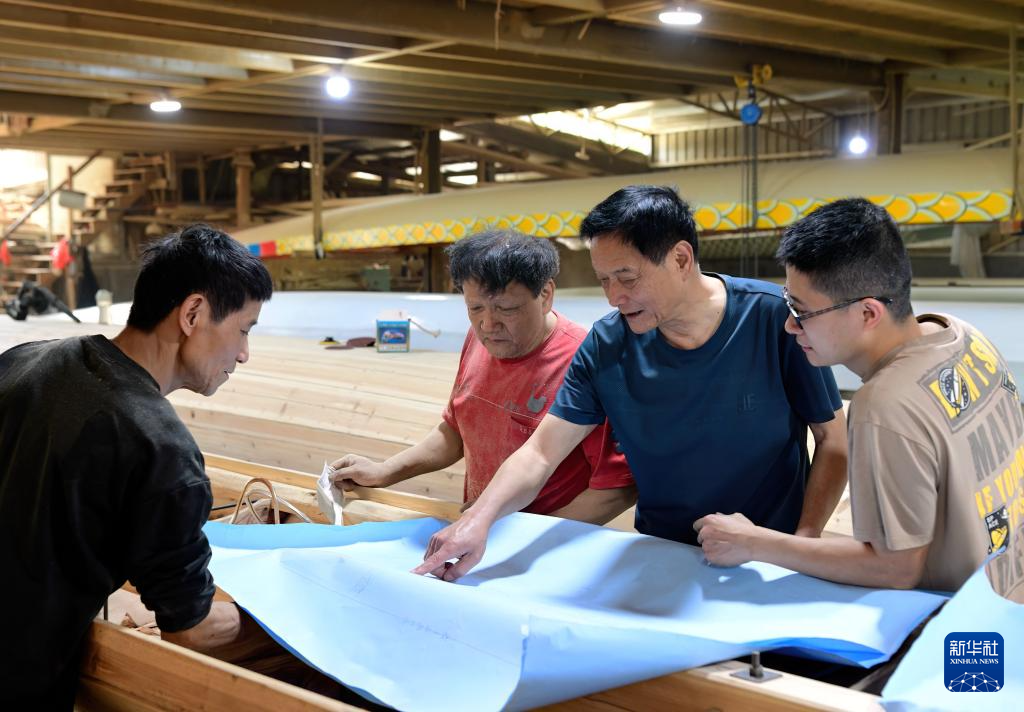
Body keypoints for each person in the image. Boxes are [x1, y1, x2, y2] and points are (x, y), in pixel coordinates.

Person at [414, 185, 848, 581]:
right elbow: (540, 453)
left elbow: (833, 439)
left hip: (767, 554)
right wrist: (479, 519)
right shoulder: (606, 346)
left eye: (627, 278)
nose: (613, 296)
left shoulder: (772, 319)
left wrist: (801, 543)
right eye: (604, 280)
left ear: (681, 259)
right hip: (661, 552)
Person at [696, 198, 1023, 601]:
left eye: (802, 311)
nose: (790, 326)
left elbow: (896, 568)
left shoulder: (885, 405)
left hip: (966, 621)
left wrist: (752, 542)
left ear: (868, 313)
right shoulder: (962, 335)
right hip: (1011, 589)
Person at [0, 225, 274, 708]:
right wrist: (284, 623)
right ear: (192, 314)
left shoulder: (24, 362)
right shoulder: (160, 448)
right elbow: (191, 630)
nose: (244, 354)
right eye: (244, 329)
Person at [331, 229, 636, 523]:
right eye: (475, 307)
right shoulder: (481, 339)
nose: (488, 325)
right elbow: (456, 431)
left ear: (545, 295)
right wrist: (385, 471)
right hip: (483, 533)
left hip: (543, 543)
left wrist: (524, 536)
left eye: (506, 308)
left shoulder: (587, 363)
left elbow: (616, 489)